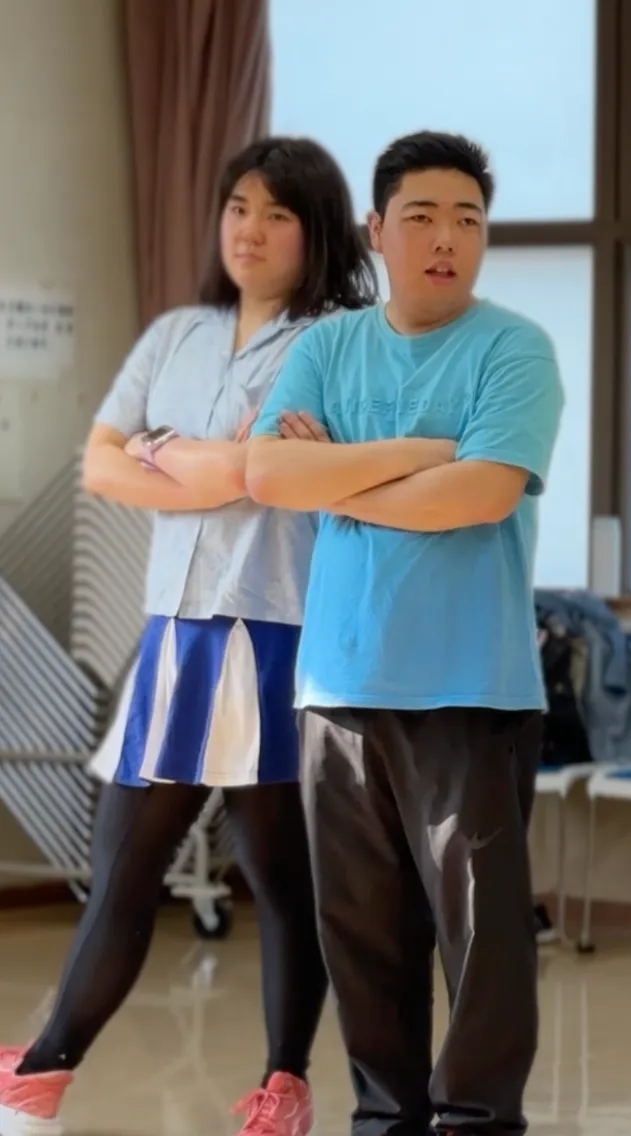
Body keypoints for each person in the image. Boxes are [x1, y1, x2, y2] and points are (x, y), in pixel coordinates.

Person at [0, 136, 377, 1136]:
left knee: (280, 879)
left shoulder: (333, 340)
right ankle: (41, 1071)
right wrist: (204, 460)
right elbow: (101, 466)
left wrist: (161, 451)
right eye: (238, 207)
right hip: (174, 634)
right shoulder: (178, 332)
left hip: (275, 632)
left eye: (278, 214)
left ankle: (280, 1083)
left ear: (317, 233)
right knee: (125, 865)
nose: (249, 230)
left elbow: (254, 476)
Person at [244, 131, 562, 1136]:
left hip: (471, 688)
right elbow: (267, 474)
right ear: (376, 231)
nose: (447, 238)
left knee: (483, 944)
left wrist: (339, 474)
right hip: (337, 685)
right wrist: (421, 455)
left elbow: (481, 495)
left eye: (468, 219)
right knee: (364, 939)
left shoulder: (514, 349)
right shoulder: (327, 348)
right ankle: (385, 1120)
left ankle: (476, 1121)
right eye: (422, 217)